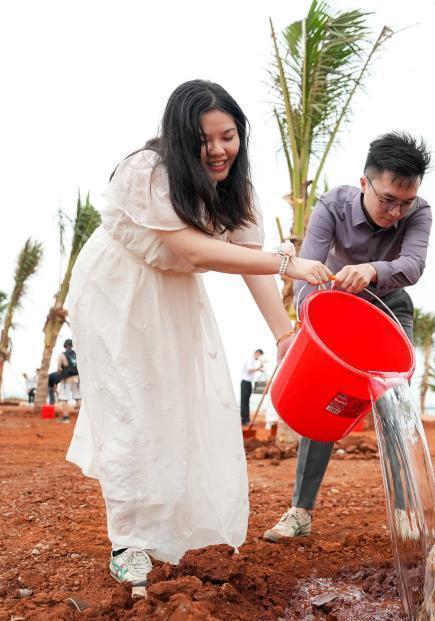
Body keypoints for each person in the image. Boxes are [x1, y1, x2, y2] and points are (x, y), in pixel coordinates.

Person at [63, 80, 331, 597]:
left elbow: (248, 259)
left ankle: (172, 532)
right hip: (115, 294)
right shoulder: (146, 171)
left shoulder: (238, 188)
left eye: (228, 136)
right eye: (203, 140)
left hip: (175, 298)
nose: (217, 150)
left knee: (181, 408)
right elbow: (196, 252)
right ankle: (128, 544)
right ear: (180, 139)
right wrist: (288, 261)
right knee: (131, 410)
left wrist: (283, 333)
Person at [263, 131, 432, 543]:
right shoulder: (332, 206)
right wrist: (316, 315)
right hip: (336, 311)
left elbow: (413, 265)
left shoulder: (419, 211)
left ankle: (406, 513)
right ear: (364, 184)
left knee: (395, 403)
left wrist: (373, 270)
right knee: (325, 404)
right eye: (388, 199)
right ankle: (300, 512)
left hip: (389, 308)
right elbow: (307, 276)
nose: (396, 212)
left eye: (405, 202)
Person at [57, 339, 80, 423]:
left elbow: (59, 369)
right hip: (77, 379)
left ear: (65, 345)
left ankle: (66, 418)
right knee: (78, 397)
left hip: (66, 380)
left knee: (64, 398)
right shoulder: (77, 354)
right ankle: (84, 419)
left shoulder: (62, 355)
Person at [240, 349, 264, 425]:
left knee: (246, 402)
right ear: (257, 353)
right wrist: (259, 368)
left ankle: (246, 420)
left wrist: (259, 368)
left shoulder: (252, 361)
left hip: (248, 383)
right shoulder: (250, 359)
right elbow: (249, 371)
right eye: (260, 355)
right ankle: (245, 420)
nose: (259, 357)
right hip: (245, 382)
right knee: (244, 402)